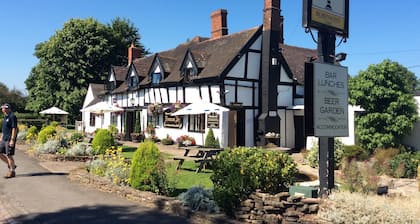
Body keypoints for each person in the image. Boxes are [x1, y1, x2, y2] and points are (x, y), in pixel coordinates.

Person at [0, 103, 17, 178]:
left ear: (9, 109)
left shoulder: (12, 116)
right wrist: (1, 137)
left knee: (9, 155)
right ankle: (12, 165)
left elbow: (14, 128)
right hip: (4, 139)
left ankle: (12, 172)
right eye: (3, 108)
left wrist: (12, 140)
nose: (4, 110)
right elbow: (4, 129)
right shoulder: (5, 117)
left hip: (9, 139)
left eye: (6, 108)